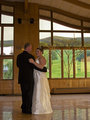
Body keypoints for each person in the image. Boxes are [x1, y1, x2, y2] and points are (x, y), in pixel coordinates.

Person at [17, 43, 47, 114]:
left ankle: (24, 108)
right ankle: (28, 109)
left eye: (38, 51)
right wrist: (44, 69)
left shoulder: (19, 56)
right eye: (31, 47)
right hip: (30, 78)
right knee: (29, 94)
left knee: (24, 93)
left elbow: (18, 65)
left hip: (22, 78)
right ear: (28, 48)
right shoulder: (30, 56)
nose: (31, 49)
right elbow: (34, 67)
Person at [29, 47, 53, 114]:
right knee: (37, 91)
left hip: (40, 77)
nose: (37, 53)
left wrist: (33, 62)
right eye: (36, 51)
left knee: (40, 91)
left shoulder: (42, 58)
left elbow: (41, 67)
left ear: (42, 52)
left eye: (38, 51)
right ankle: (37, 108)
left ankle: (41, 109)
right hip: (37, 76)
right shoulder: (38, 58)